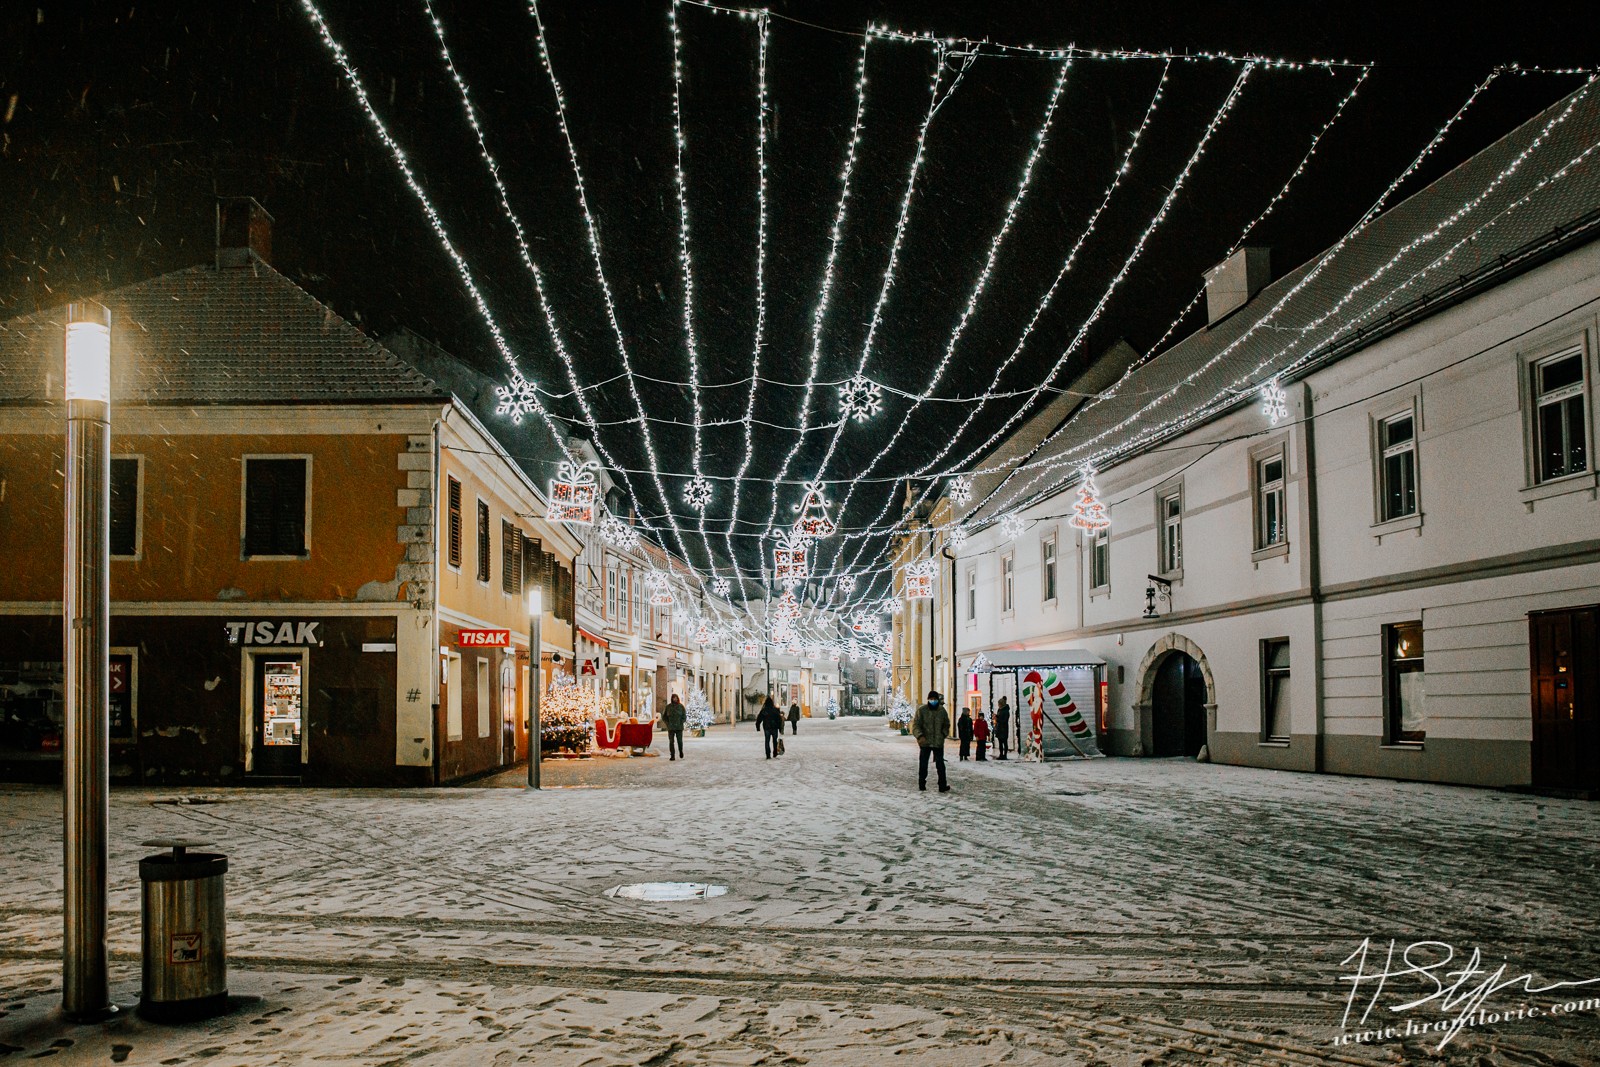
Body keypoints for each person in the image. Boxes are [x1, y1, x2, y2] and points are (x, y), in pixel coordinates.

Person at [910, 690, 951, 793]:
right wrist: (920, 736)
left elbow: (946, 724)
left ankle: (942, 785)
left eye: (935, 699)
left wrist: (943, 734)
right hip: (925, 742)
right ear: (928, 699)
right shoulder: (922, 710)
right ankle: (922, 784)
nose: (933, 701)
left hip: (938, 742)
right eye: (931, 699)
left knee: (940, 765)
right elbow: (916, 725)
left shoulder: (942, 711)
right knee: (923, 764)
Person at [662, 692, 687, 761]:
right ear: (672, 699)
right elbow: (664, 716)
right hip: (671, 727)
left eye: (676, 698)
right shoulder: (668, 707)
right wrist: (667, 723)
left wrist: (681, 722)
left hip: (679, 727)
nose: (675, 699)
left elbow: (684, 716)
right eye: (673, 698)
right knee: (671, 742)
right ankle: (672, 755)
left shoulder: (681, 706)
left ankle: (680, 751)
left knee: (679, 741)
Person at [994, 696, 1011, 761]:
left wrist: (997, 719)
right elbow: (999, 717)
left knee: (1004, 742)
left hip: (1004, 728)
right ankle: (1001, 754)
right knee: (1000, 742)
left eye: (999, 704)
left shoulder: (1006, 711)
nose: (998, 705)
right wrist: (996, 716)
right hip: (999, 728)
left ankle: (1005, 755)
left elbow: (1004, 720)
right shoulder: (1000, 710)